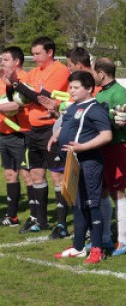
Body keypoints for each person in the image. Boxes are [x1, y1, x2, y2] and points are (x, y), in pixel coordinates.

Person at [53, 70, 111, 264]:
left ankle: (97, 248)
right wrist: (55, 136)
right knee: (77, 204)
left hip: (89, 163)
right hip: (73, 162)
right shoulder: (73, 107)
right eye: (70, 87)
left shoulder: (96, 109)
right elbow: (65, 126)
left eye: (76, 87)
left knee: (92, 204)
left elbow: (106, 135)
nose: (71, 90)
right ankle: (78, 247)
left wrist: (82, 147)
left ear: (89, 88)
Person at [20, 37, 70, 236]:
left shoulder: (60, 70)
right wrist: (16, 86)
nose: (34, 58)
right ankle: (41, 221)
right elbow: (24, 96)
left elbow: (43, 98)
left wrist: (18, 85)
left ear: (50, 52)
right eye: (33, 54)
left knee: (57, 176)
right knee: (36, 174)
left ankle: (62, 224)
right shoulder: (33, 72)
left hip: (52, 129)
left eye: (37, 53)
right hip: (34, 130)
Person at [93, 58, 126, 255]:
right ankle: (105, 237)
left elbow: (125, 121)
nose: (93, 76)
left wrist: (114, 122)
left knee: (118, 192)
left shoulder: (120, 93)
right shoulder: (99, 93)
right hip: (99, 148)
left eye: (95, 72)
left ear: (101, 73)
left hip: (116, 148)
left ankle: (123, 241)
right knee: (101, 191)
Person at [0, 46, 28, 227]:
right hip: (3, 134)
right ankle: (12, 216)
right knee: (10, 175)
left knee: (28, 176)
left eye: (5, 60)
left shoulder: (23, 79)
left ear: (16, 62)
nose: (2, 63)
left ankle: (36, 217)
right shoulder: (2, 79)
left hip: (20, 134)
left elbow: (17, 105)